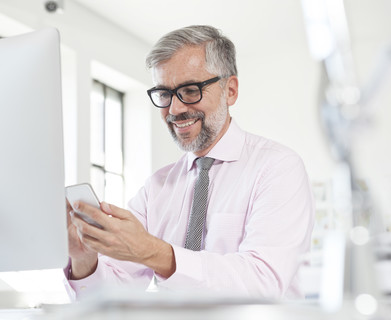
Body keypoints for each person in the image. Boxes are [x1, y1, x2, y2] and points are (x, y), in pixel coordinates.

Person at [65, 25, 314, 300]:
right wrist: (84, 259)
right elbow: (111, 295)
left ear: (230, 90)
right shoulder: (156, 188)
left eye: (191, 90)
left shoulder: (277, 168)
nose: (175, 109)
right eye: (164, 94)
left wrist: (154, 252)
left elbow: (262, 281)